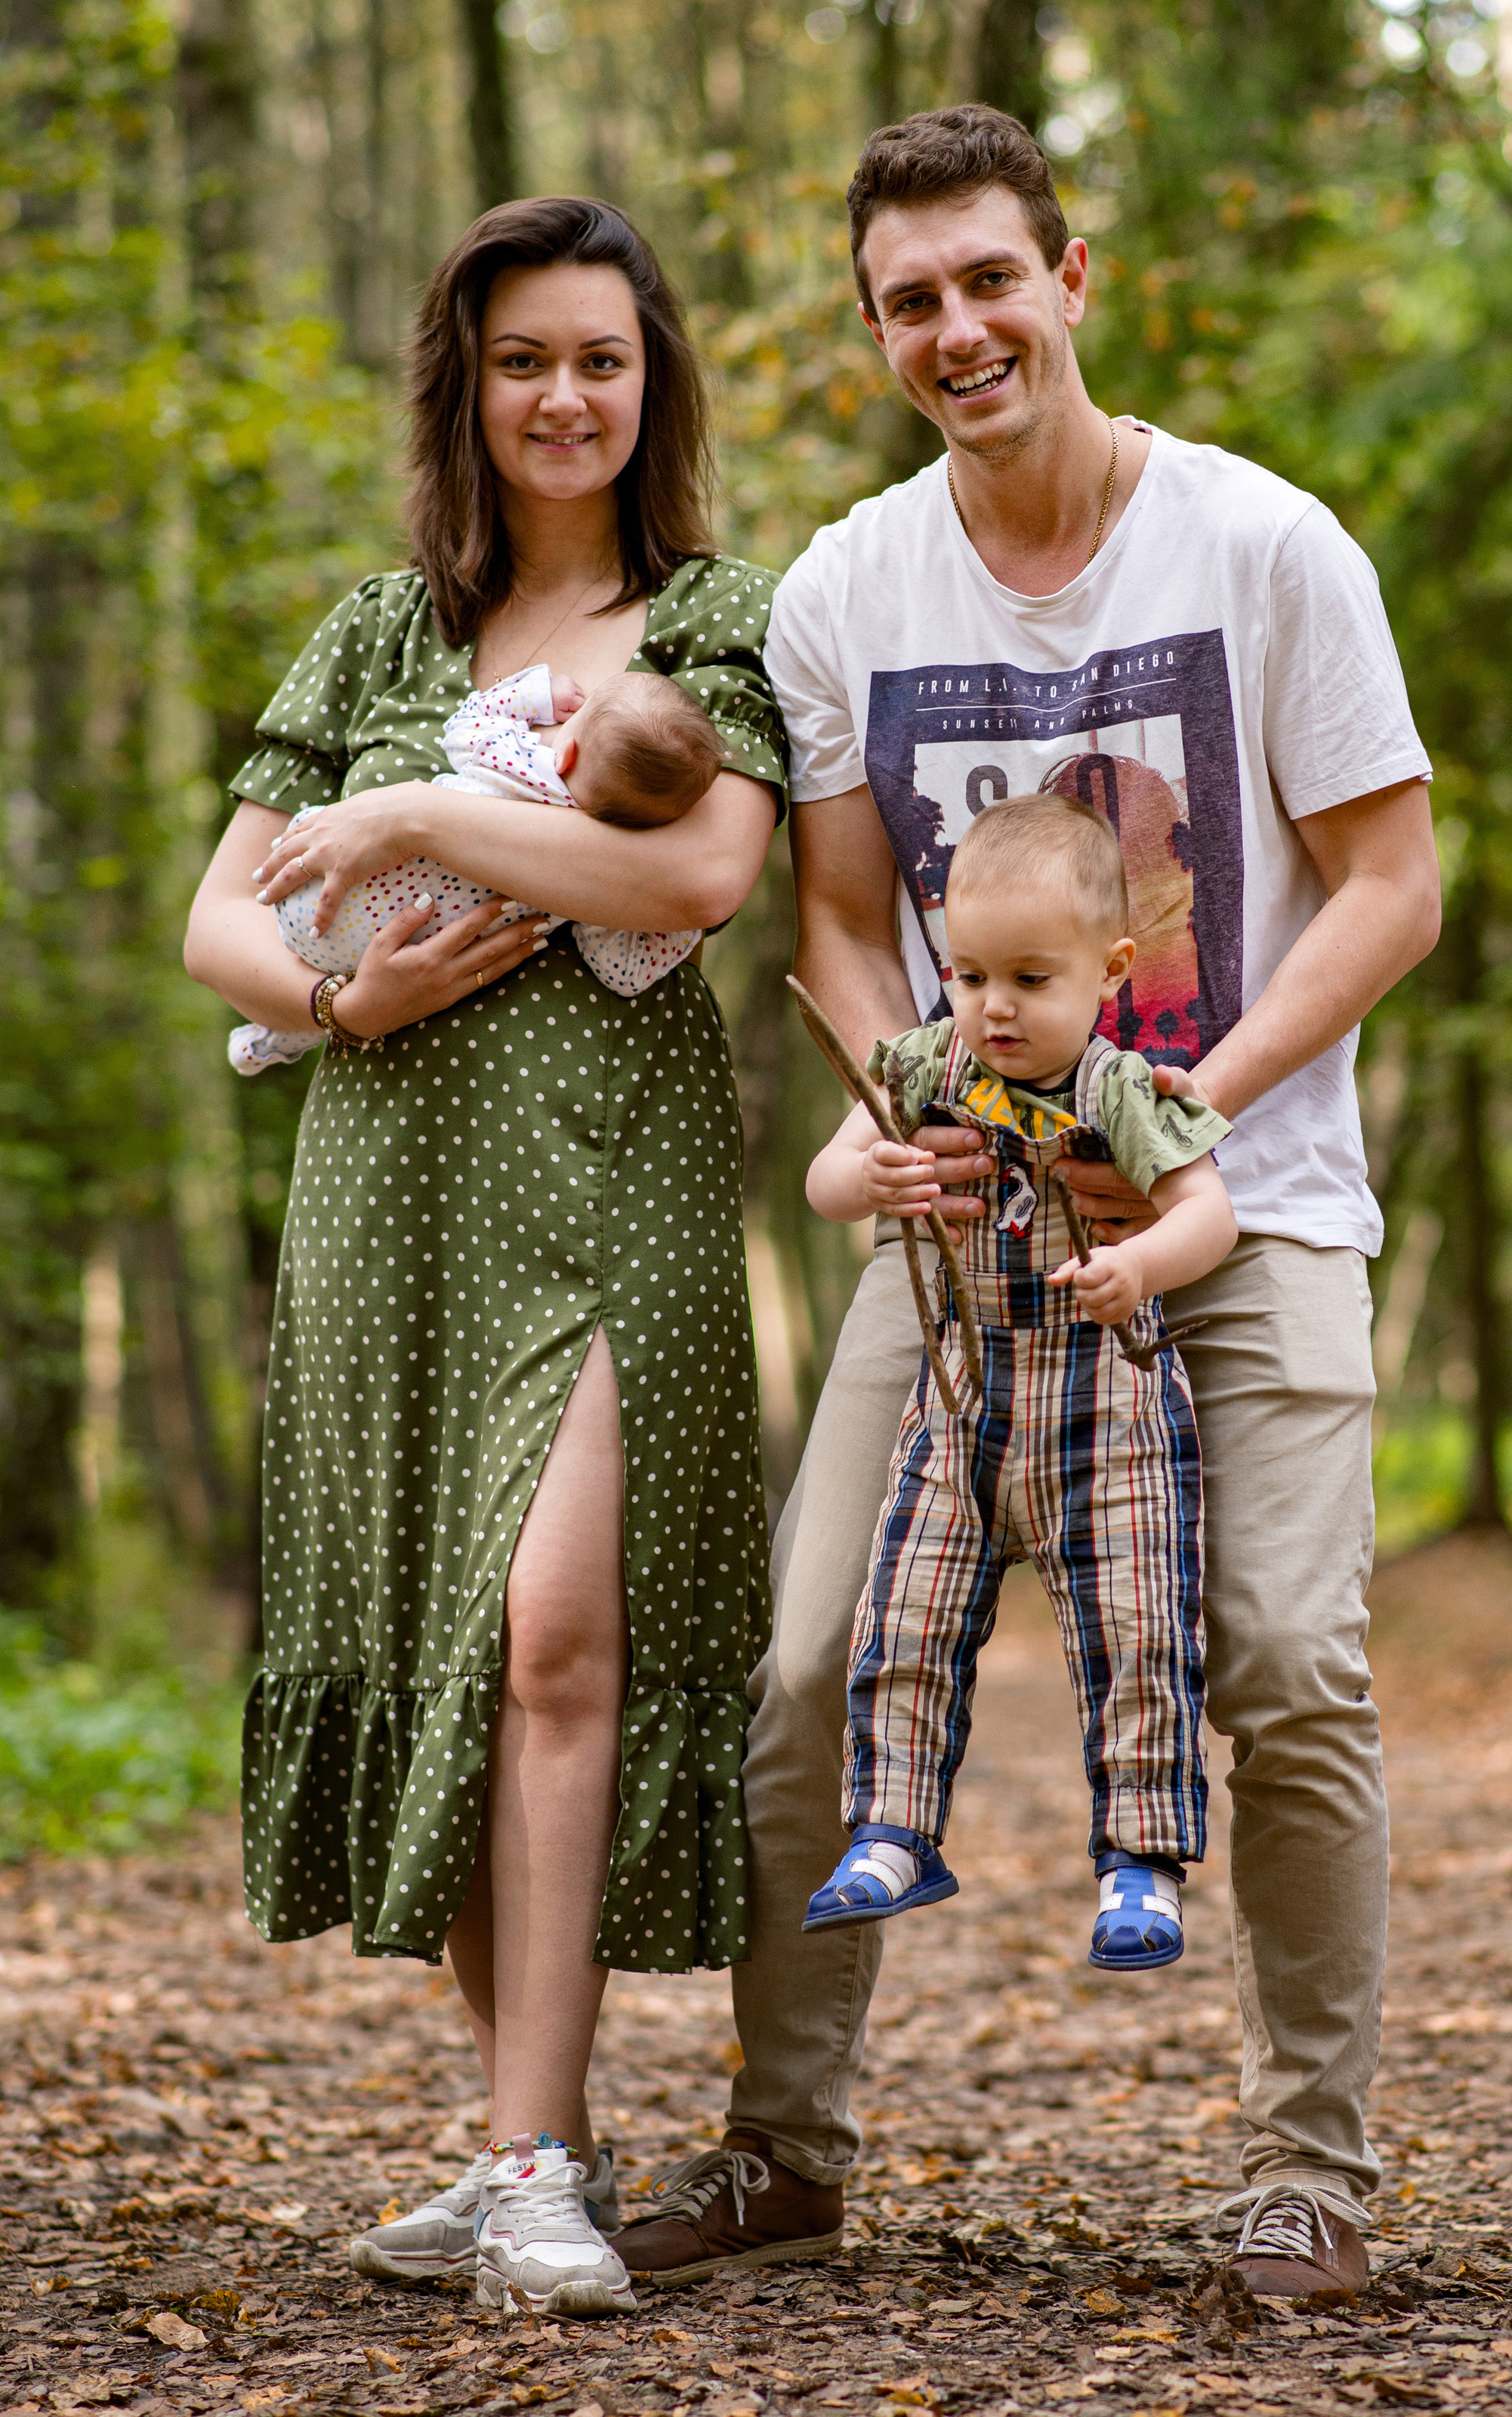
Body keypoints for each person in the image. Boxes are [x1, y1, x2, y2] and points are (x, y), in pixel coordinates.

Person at [612, 106, 1441, 2303]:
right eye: (910, 300)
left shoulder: (1267, 550)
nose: (956, 328)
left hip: (1245, 1207)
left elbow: (1391, 883)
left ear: (1070, 281)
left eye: (991, 279)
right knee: (806, 1667)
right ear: (876, 329)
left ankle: (1311, 2171)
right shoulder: (844, 591)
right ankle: (780, 2148)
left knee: (1283, 1648)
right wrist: (917, 1106)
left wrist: (1188, 1096)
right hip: (967, 1244)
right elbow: (834, 921)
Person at [183, 196, 787, 2318]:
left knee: (557, 1640)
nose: (564, 396)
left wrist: (422, 826)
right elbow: (222, 922)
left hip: (611, 1186)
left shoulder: (715, 618)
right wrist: (352, 997)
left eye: (602, 360)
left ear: (653, 386)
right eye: (525, 358)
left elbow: (704, 867)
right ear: (472, 383)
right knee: (456, 1644)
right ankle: (537, 2146)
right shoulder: (373, 635)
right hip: (382, 1187)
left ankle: (532, 2157)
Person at [799, 793, 1236, 1970]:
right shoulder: (921, 1062)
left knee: (1140, 1634)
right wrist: (874, 1174)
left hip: (1109, 1413)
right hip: (962, 1407)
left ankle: (1138, 1863)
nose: (995, 1005)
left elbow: (1211, 1217)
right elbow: (826, 1181)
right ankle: (892, 1829)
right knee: (906, 1612)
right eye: (972, 972)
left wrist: (1139, 1262)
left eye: (1032, 980)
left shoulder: (1120, 1091)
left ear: (1112, 971)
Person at [227, 662, 722, 1072]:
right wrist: (681, 929)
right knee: (355, 963)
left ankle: (282, 1027)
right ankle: (279, 1037)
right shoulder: (583, 883)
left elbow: (467, 723)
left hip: (306, 894)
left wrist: (537, 695)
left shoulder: (520, 763)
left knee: (326, 824)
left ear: (566, 750)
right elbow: (621, 970)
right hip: (365, 959)